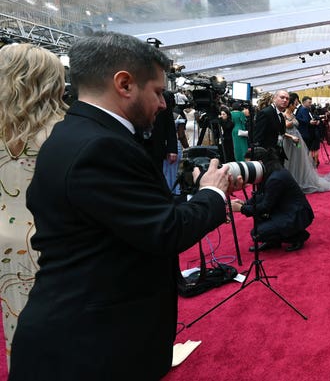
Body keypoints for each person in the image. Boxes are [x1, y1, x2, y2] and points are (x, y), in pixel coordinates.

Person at [9, 32, 241, 380]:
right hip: (90, 348)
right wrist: (213, 192)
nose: (164, 105)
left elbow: (132, 215)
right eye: (159, 92)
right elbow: (166, 230)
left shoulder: (77, 134)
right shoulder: (100, 146)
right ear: (125, 84)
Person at [0, 44, 68, 367]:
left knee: (17, 329)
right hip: (51, 242)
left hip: (5, 241)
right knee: (60, 337)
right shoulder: (61, 134)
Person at [231, 147, 314, 252]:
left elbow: (265, 206)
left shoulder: (275, 178)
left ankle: (298, 236)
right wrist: (245, 203)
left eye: (249, 165)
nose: (248, 170)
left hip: (296, 215)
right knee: (258, 214)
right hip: (285, 209)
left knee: (257, 234)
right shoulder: (271, 171)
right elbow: (262, 195)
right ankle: (273, 241)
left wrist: (242, 208)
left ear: (259, 163)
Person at [283, 100, 330, 194]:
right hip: (289, 140)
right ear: (290, 105)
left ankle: (299, 179)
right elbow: (283, 128)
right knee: (289, 160)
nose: (296, 107)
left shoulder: (293, 114)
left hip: (298, 140)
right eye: (294, 105)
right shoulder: (284, 115)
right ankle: (290, 182)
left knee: (299, 160)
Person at [254, 89, 289, 163]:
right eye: (282, 97)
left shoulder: (281, 115)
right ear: (274, 99)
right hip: (267, 156)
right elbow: (258, 137)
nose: (285, 100)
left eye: (287, 98)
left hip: (277, 154)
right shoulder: (265, 113)